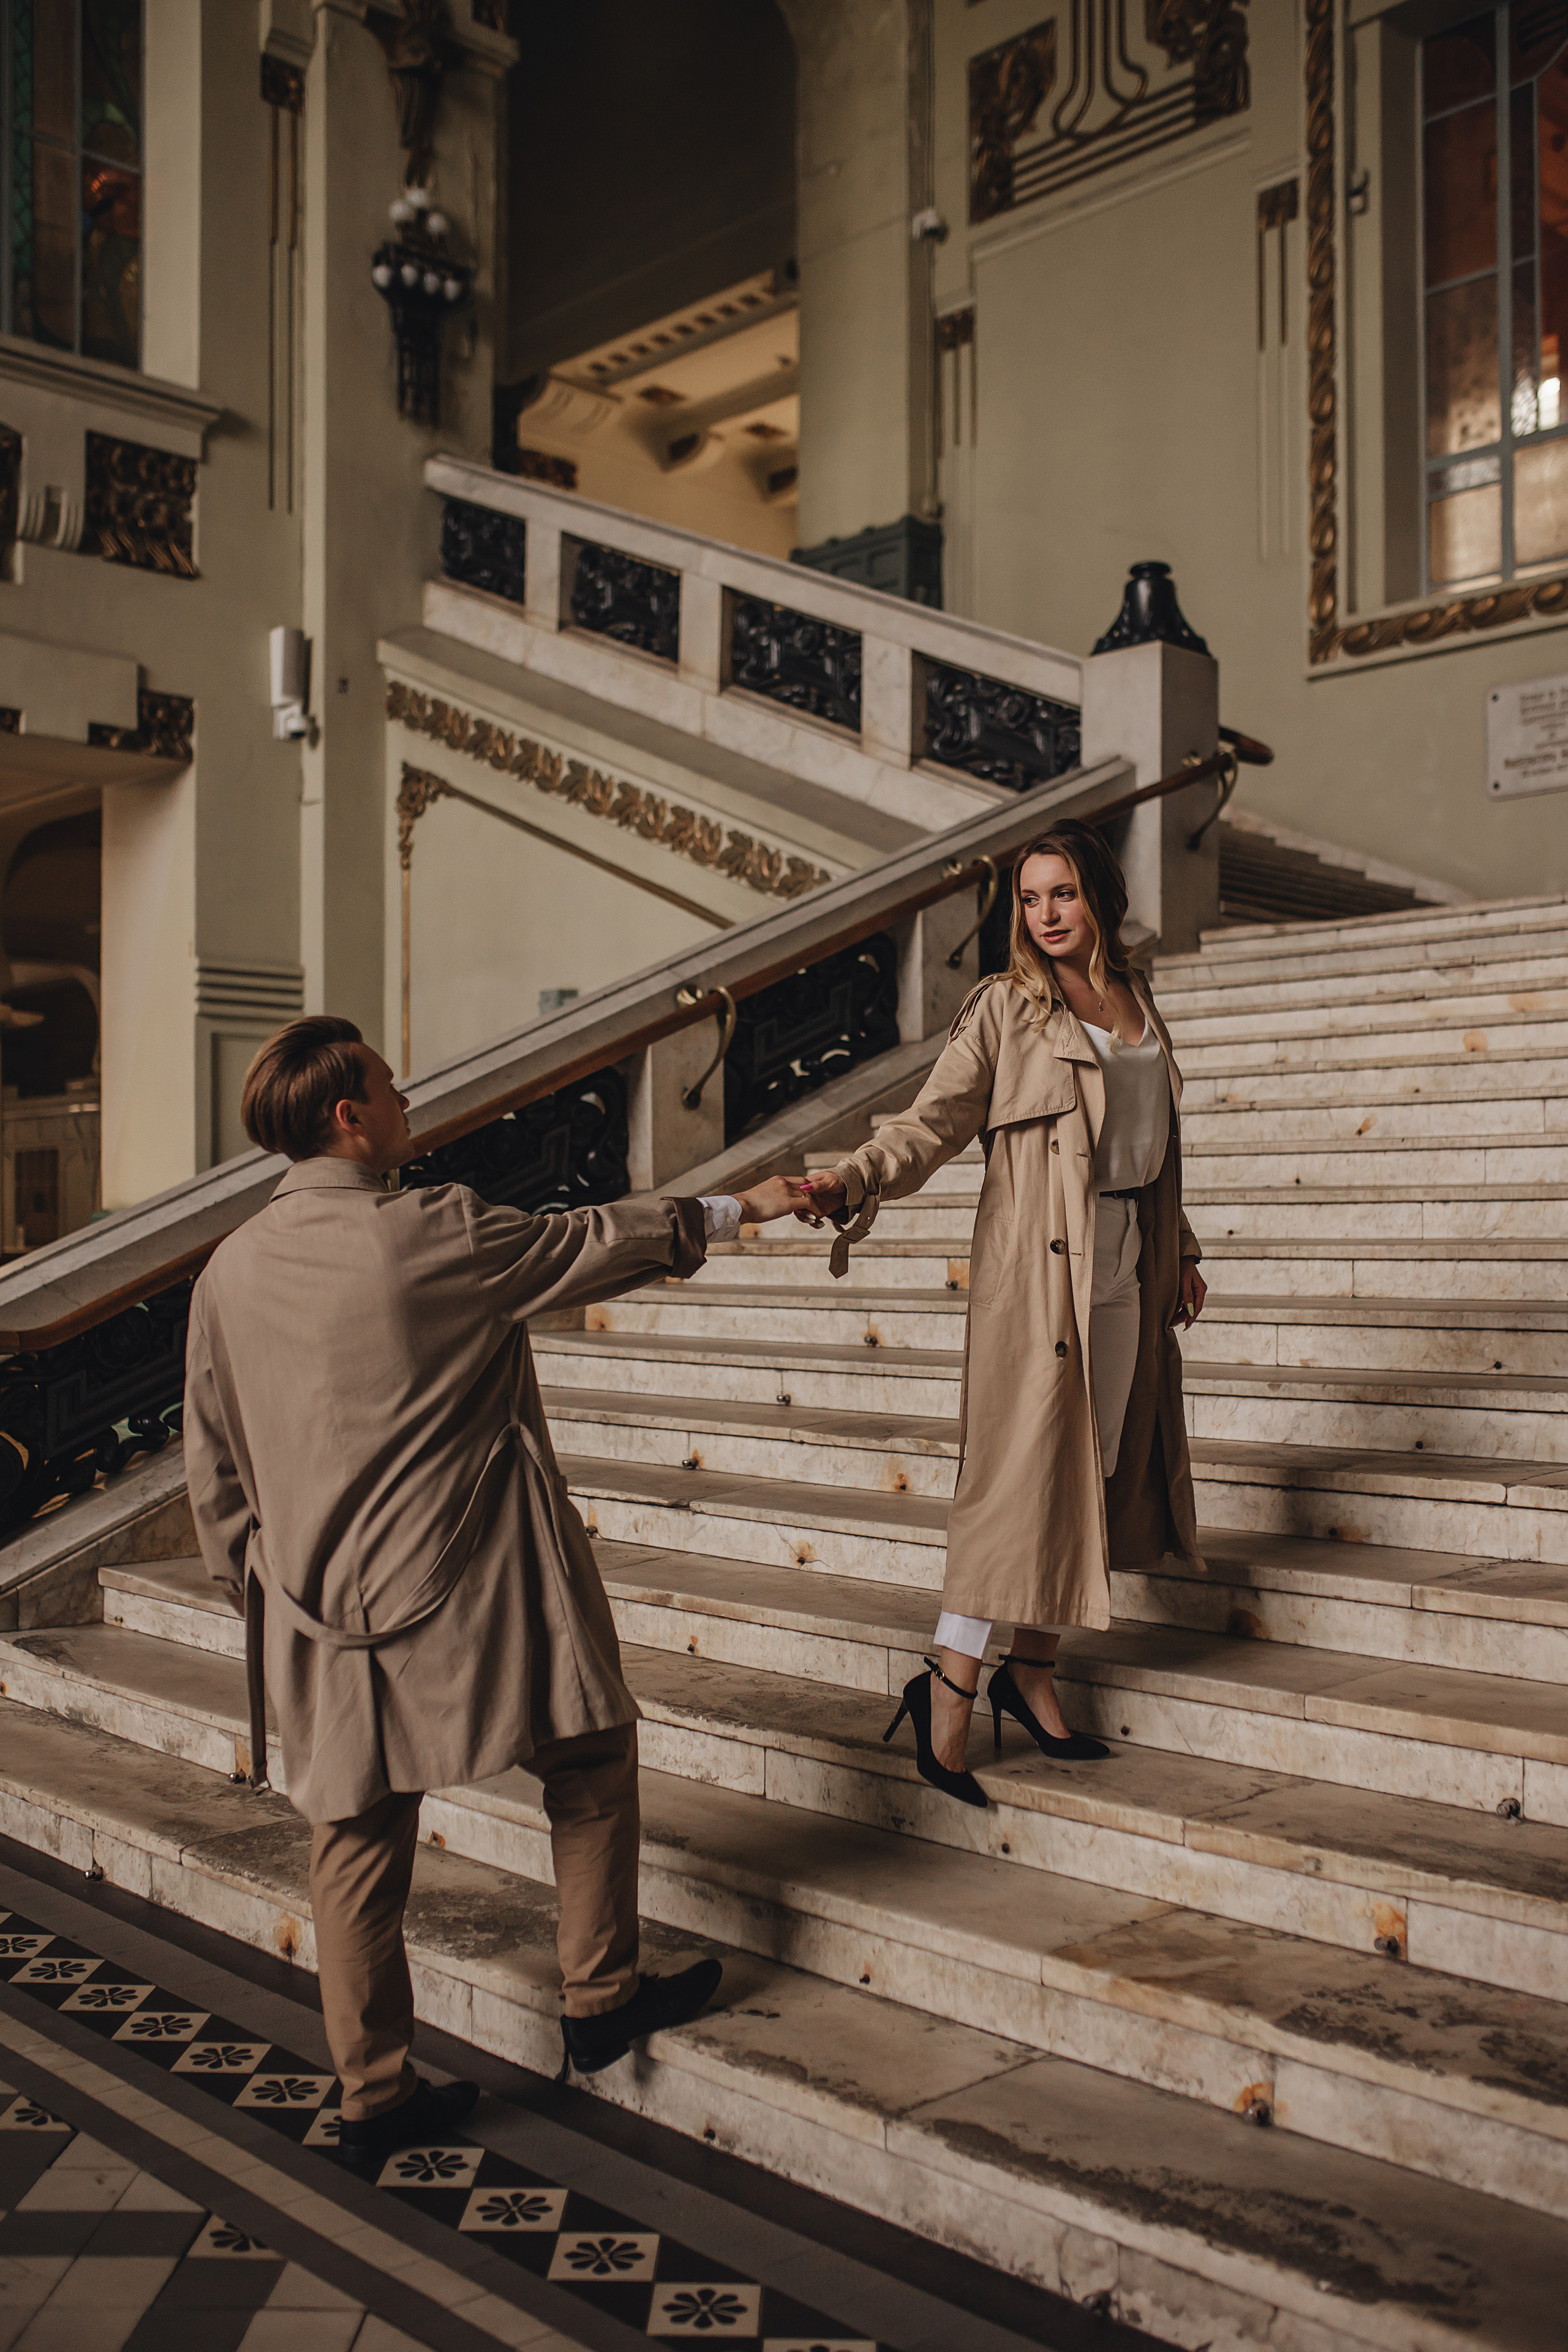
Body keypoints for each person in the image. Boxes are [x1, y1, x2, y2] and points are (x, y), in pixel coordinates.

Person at [184, 1016, 804, 2168]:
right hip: (465, 1584)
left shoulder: (225, 1273)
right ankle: (599, 1997)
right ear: (348, 1115)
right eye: (387, 1083)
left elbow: (213, 1481)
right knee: (589, 1754)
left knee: (355, 1844)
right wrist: (740, 1208)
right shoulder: (430, 1230)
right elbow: (594, 1242)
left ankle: (372, 2094)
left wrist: (264, 1610)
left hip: (316, 1609)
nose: (406, 1095)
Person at [797, 822, 1207, 1806]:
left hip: (1128, 1265)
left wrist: (1181, 1252)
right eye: (1030, 899)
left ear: (1098, 897)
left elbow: (1148, 1144)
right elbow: (931, 1123)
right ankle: (949, 1689)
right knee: (1015, 1485)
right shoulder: (1005, 1010)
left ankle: (1033, 1672)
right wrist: (856, 1176)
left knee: (1092, 1471)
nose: (1045, 915)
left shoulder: (1135, 1001)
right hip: (1039, 1272)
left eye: (1061, 894)